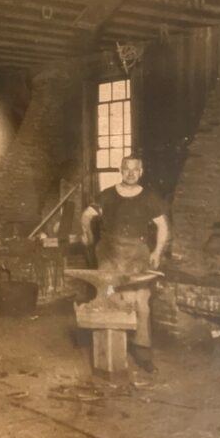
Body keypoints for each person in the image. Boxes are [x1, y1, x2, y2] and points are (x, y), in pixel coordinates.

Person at [80, 156, 170, 372]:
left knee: (141, 302)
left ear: (141, 171)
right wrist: (87, 235)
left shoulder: (150, 197)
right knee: (109, 295)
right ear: (121, 170)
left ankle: (143, 353)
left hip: (137, 255)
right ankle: (107, 352)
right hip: (110, 253)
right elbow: (87, 215)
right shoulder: (108, 195)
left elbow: (163, 227)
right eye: (126, 169)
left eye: (135, 170)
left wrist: (157, 251)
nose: (131, 173)